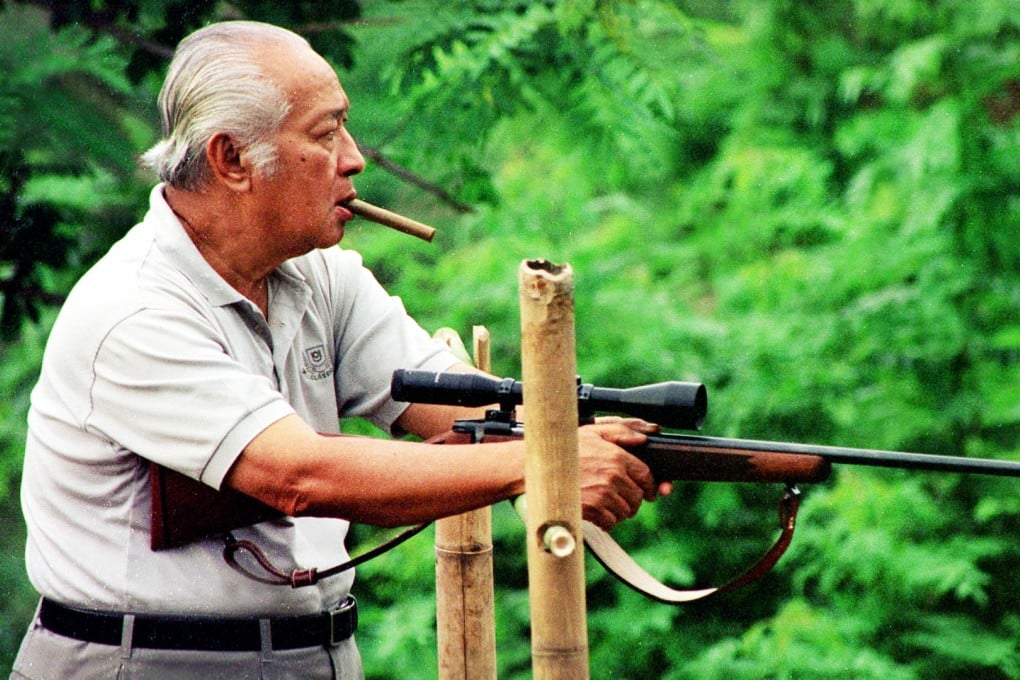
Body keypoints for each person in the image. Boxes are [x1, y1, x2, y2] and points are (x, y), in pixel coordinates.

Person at [11, 20, 665, 679]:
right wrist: (548, 463)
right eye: (325, 135)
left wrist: (589, 442)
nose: (354, 158)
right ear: (232, 159)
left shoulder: (324, 276)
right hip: (143, 662)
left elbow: (468, 415)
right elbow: (303, 476)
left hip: (318, 656)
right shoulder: (134, 309)